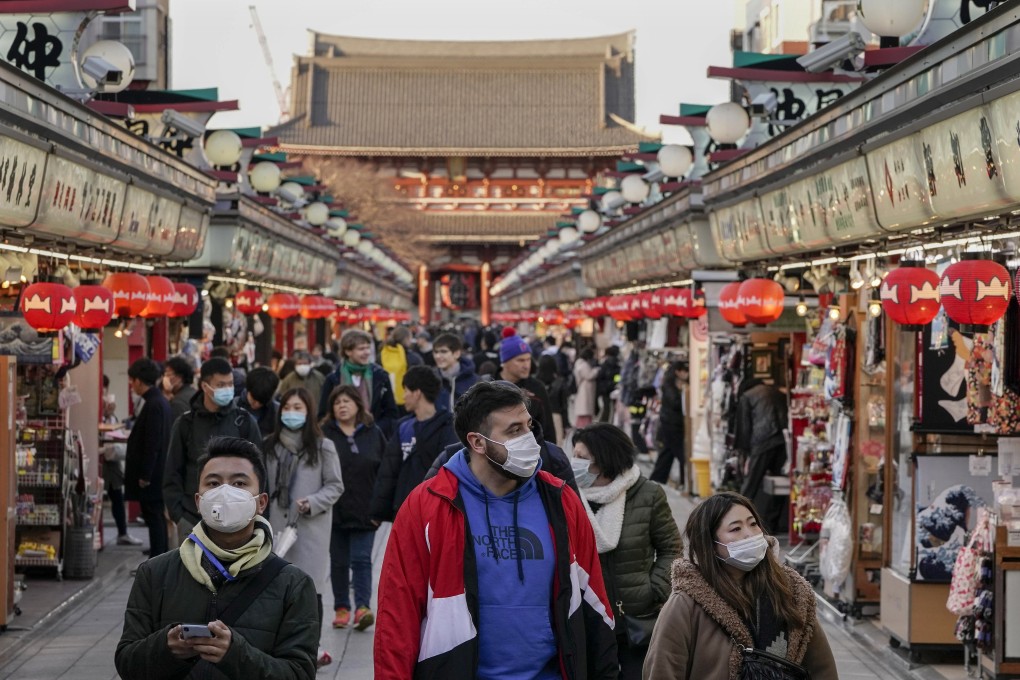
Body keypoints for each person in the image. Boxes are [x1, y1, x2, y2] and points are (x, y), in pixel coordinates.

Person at [374, 381, 618, 679]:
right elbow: (397, 614)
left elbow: (595, 600)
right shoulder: (427, 505)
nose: (530, 439)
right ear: (477, 442)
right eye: (514, 431)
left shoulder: (561, 499)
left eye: (529, 426)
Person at [115, 437, 319, 680]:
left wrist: (235, 654)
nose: (225, 492)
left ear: (261, 503)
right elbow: (127, 663)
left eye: (239, 483)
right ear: (199, 502)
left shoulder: (293, 585)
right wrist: (166, 648)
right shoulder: (155, 573)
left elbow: (300, 674)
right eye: (213, 483)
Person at [643, 492, 837, 680]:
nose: (749, 534)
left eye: (753, 524)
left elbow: (821, 667)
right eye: (735, 529)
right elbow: (663, 670)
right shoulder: (686, 605)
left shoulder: (791, 592)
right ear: (711, 544)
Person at [571, 423, 681, 678]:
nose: (574, 463)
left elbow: (671, 548)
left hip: (637, 619)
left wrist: (654, 590)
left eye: (582, 458)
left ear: (605, 460)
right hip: (591, 617)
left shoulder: (648, 494)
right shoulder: (570, 497)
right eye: (574, 456)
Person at [263, 387, 344, 667]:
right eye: (287, 407)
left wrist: (313, 501)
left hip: (310, 529)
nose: (292, 413)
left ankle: (312, 646)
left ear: (308, 411)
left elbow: (335, 485)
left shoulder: (323, 447)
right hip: (276, 527)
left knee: (311, 590)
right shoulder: (269, 447)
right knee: (277, 586)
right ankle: (280, 645)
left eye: (298, 407)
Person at [164, 357, 263, 542]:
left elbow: (259, 472)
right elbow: (172, 472)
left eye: (230, 384)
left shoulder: (244, 422)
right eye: (221, 384)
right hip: (193, 518)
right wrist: (179, 515)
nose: (227, 389)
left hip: (238, 521)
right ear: (205, 386)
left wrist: (256, 518)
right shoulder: (186, 424)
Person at [320, 385, 387, 631]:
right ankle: (341, 607)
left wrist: (381, 508)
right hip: (334, 511)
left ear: (358, 404)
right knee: (338, 562)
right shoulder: (324, 434)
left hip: (365, 510)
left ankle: (362, 607)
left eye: (347, 401)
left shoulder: (373, 432)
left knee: (361, 560)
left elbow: (384, 471)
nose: (342, 406)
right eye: (337, 402)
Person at [371, 366, 459, 524]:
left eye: (406, 391)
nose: (403, 397)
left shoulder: (448, 426)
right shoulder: (403, 427)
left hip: (434, 511)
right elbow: (389, 470)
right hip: (404, 510)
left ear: (417, 393)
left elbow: (449, 470)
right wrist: (378, 511)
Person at [124, 359, 174, 558]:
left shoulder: (153, 404)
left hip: (153, 474)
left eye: (131, 381)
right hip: (159, 470)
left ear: (138, 381)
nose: (131, 385)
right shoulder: (160, 402)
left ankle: (157, 558)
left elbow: (151, 443)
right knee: (155, 516)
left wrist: (145, 474)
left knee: (154, 515)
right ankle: (158, 555)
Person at [319, 328, 399, 436]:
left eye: (368, 348)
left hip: (373, 438)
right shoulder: (333, 379)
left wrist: (374, 430)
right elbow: (324, 414)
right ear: (348, 351)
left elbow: (391, 413)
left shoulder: (381, 376)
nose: (367, 352)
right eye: (361, 349)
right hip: (340, 438)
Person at [733, 378, 789, 533]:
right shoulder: (779, 393)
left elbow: (744, 426)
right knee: (780, 485)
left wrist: (744, 451)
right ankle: (772, 524)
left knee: (750, 484)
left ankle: (736, 521)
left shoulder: (747, 396)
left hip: (762, 441)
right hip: (783, 442)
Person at [100, 376, 139, 546]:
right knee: (103, 496)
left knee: (116, 495)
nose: (104, 393)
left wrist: (109, 414)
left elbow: (111, 430)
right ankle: (111, 532)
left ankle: (122, 532)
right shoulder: (93, 406)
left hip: (111, 459)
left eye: (105, 389)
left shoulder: (108, 411)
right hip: (100, 458)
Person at [498, 334, 557, 441]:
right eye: (520, 360)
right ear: (505, 362)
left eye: (528, 359)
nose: (526, 365)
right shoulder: (489, 386)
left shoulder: (537, 388)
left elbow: (548, 429)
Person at [650, 361, 689, 488]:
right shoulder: (670, 386)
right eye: (685, 371)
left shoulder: (672, 384)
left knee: (667, 453)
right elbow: (675, 403)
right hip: (672, 425)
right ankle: (685, 482)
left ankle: (656, 480)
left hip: (671, 424)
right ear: (678, 371)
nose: (687, 374)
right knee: (681, 454)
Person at [433, 332, 480, 413]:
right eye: (436, 352)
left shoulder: (475, 381)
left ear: (457, 353)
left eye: (443, 351)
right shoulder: (430, 379)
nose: (438, 356)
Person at [380, 325, 423, 410]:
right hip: (407, 401)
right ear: (407, 339)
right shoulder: (414, 358)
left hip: (385, 401)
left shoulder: (382, 354)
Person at [276, 351, 325, 415]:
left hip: (315, 414)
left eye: (305, 363)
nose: (302, 366)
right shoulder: (288, 379)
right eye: (299, 364)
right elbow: (281, 396)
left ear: (310, 364)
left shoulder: (319, 378)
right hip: (294, 415)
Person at [537, 355, 568, 445]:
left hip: (539, 417)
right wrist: (566, 425)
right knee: (556, 447)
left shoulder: (535, 384)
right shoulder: (559, 382)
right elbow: (564, 406)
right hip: (556, 416)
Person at [240, 366, 280, 437]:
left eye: (261, 402)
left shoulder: (276, 411)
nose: (256, 404)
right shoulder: (234, 406)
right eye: (253, 399)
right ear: (248, 390)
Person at [162, 357, 198, 423]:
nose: (165, 378)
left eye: (168, 374)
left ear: (179, 377)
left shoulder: (177, 403)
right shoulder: (194, 392)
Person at [573, 347, 600, 430]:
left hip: (584, 390)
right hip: (584, 391)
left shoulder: (579, 363)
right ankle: (584, 429)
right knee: (585, 412)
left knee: (585, 412)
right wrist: (596, 370)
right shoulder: (583, 364)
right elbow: (589, 375)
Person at [597, 346, 621, 423]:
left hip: (605, 388)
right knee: (614, 409)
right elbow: (618, 376)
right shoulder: (617, 364)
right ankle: (611, 424)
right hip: (614, 389)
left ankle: (603, 424)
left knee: (606, 408)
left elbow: (600, 376)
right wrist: (615, 383)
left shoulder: (605, 363)